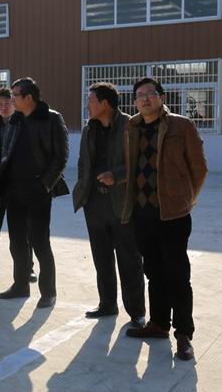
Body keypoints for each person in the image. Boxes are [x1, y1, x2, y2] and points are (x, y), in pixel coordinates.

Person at [123, 78, 207, 361]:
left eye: (150, 93)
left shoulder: (181, 126)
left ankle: (184, 334)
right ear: (135, 101)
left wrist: (185, 199)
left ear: (161, 97)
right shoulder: (132, 127)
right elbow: (131, 167)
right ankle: (159, 324)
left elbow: (199, 168)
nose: (145, 98)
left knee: (177, 275)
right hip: (142, 214)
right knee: (154, 272)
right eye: (140, 95)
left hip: (173, 215)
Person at [73, 82, 145, 326]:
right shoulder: (88, 129)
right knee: (101, 257)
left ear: (105, 103)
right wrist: (83, 187)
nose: (87, 105)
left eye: (91, 101)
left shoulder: (130, 126)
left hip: (122, 201)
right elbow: (83, 162)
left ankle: (136, 312)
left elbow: (138, 162)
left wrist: (117, 176)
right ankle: (107, 304)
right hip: (94, 202)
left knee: (129, 258)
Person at [0, 77, 69, 309]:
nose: (11, 100)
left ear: (29, 97)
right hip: (14, 191)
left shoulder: (52, 118)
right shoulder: (15, 119)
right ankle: (20, 285)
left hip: (38, 191)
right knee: (17, 242)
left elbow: (61, 157)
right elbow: (7, 152)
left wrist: (45, 185)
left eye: (15, 95)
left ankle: (48, 292)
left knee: (39, 241)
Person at [0, 87, 37, 283]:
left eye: (8, 103)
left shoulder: (23, 127)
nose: (4, 107)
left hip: (18, 189)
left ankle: (27, 267)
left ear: (14, 104)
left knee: (22, 231)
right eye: (0, 104)